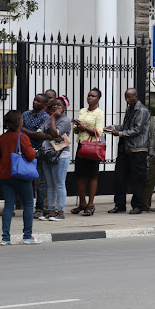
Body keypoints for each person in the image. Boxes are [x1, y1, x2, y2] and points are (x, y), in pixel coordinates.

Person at [0, 111, 42, 245]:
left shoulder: (2, 138)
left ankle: (5, 238)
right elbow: (30, 156)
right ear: (19, 122)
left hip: (5, 175)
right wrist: (34, 151)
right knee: (28, 203)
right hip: (20, 175)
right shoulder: (22, 137)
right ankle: (27, 235)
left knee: (9, 205)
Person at [106, 88, 150, 214]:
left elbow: (137, 130)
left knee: (137, 179)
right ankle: (119, 205)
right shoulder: (129, 109)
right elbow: (126, 127)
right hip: (125, 148)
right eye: (126, 97)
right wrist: (113, 128)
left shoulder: (142, 111)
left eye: (129, 97)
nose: (127, 100)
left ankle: (138, 206)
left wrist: (119, 133)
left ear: (136, 96)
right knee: (119, 177)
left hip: (138, 149)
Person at [72, 88, 104, 216]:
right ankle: (82, 203)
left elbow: (99, 131)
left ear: (98, 99)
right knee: (79, 175)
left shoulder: (99, 113)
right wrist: (77, 127)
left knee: (92, 175)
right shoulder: (82, 111)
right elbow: (75, 130)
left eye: (93, 96)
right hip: (81, 145)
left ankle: (91, 204)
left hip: (92, 146)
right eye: (89, 95)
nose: (90, 98)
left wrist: (84, 127)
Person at [39, 96, 72, 221]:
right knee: (50, 184)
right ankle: (51, 211)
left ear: (64, 108)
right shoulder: (49, 119)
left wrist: (53, 118)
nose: (56, 107)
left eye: (59, 105)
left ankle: (61, 212)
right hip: (48, 153)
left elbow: (55, 132)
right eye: (55, 105)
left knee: (59, 184)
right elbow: (39, 132)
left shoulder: (65, 121)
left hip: (60, 155)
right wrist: (50, 135)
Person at [21, 94, 50, 217]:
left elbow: (41, 135)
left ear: (44, 105)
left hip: (39, 151)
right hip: (25, 150)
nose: (35, 102)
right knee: (23, 178)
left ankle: (39, 208)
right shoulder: (25, 114)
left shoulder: (46, 117)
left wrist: (26, 131)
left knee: (40, 182)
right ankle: (24, 205)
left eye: (38, 101)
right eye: (34, 99)